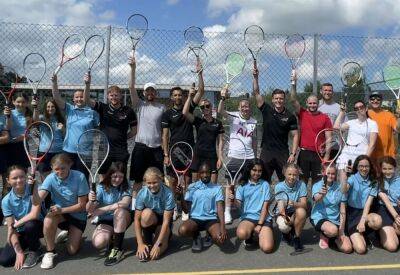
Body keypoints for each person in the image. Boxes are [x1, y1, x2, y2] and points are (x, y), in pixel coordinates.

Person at [31, 153, 89, 269]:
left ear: (70, 165)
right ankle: (50, 252)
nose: (60, 171)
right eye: (56, 169)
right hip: (60, 214)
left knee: (72, 251)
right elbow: (36, 201)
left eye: (63, 168)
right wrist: (34, 188)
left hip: (77, 215)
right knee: (48, 219)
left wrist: (62, 210)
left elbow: (82, 206)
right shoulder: (50, 178)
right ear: (52, 168)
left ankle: (71, 233)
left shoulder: (80, 177)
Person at [83, 74, 137, 176]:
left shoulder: (128, 111)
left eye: (116, 95)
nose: (114, 97)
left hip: (121, 149)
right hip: (104, 148)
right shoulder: (103, 108)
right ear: (108, 96)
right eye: (111, 95)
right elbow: (86, 100)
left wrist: (123, 137)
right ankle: (103, 191)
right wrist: (87, 84)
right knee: (103, 175)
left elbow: (134, 130)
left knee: (120, 175)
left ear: (121, 96)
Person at [218, 87, 257, 224]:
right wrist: (223, 98)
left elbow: (254, 140)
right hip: (235, 157)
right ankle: (227, 211)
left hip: (249, 157)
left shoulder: (254, 121)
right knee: (230, 185)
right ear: (239, 108)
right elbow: (220, 111)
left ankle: (244, 209)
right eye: (242, 106)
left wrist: (255, 157)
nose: (245, 108)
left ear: (249, 108)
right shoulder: (233, 116)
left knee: (246, 184)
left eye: (247, 106)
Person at [252, 65, 298, 182]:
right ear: (272, 100)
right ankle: (264, 200)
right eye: (276, 98)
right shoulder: (266, 109)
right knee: (263, 180)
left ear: (284, 100)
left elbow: (296, 135)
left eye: (281, 98)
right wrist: (256, 77)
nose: (279, 100)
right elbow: (256, 93)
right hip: (266, 152)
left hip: (282, 153)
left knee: (285, 181)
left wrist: (293, 154)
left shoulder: (290, 116)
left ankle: (283, 200)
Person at [51, 74, 99, 177]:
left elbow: (97, 130)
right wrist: (54, 82)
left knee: (82, 178)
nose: (79, 99)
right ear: (73, 99)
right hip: (68, 150)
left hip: (85, 153)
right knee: (66, 178)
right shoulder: (69, 109)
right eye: (76, 97)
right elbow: (56, 97)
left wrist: (87, 84)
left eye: (81, 97)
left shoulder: (92, 112)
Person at [129, 55, 165, 188]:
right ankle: (134, 206)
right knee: (138, 180)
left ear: (156, 93)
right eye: (147, 90)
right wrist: (133, 68)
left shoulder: (162, 107)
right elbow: (131, 87)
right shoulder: (139, 104)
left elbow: (165, 129)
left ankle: (158, 206)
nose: (150, 92)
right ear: (144, 93)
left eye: (152, 90)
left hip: (156, 148)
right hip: (140, 147)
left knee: (158, 180)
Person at [86, 162, 133, 266]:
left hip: (123, 218)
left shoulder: (126, 186)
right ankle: (112, 238)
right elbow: (90, 210)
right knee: (98, 243)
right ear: (109, 175)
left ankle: (117, 249)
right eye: (115, 176)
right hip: (106, 220)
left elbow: (125, 203)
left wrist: (104, 209)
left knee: (119, 211)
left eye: (121, 176)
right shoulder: (101, 187)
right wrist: (90, 201)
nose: (117, 179)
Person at [290, 72, 332, 185]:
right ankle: (303, 201)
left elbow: (329, 138)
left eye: (315, 103)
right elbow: (293, 100)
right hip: (304, 153)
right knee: (302, 181)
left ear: (318, 104)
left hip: (319, 155)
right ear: (306, 103)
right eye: (310, 103)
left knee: (317, 182)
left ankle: (316, 202)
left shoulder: (325, 117)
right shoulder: (302, 113)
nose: (312, 105)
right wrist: (294, 83)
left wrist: (327, 156)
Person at [0, 166, 44, 270]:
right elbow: (11, 228)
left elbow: (34, 214)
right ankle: (28, 245)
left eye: (21, 177)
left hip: (38, 226)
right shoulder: (6, 201)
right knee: (5, 261)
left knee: (30, 225)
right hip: (21, 230)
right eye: (14, 178)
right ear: (8, 180)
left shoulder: (34, 188)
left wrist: (14, 225)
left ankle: (35, 249)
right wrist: (19, 252)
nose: (19, 180)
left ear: (26, 177)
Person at [178, 163, 227, 252]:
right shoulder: (192, 187)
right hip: (195, 220)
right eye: (202, 172)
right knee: (182, 230)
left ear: (211, 173)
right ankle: (196, 235)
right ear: (199, 174)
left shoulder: (217, 188)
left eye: (207, 172)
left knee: (221, 239)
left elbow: (220, 209)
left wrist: (223, 228)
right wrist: (181, 196)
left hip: (211, 220)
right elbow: (186, 211)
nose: (205, 175)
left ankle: (209, 234)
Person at [341, 155, 382, 254]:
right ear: (357, 167)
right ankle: (357, 235)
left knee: (377, 221)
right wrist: (344, 176)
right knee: (361, 249)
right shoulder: (352, 178)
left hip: (365, 212)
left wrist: (362, 221)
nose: (364, 168)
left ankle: (366, 233)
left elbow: (368, 203)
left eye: (366, 166)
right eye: (361, 166)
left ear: (370, 167)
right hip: (352, 214)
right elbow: (343, 189)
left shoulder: (374, 181)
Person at [182, 88, 224, 184]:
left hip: (212, 155)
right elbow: (184, 112)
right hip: (198, 154)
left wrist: (220, 157)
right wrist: (190, 96)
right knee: (196, 184)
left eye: (207, 106)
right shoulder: (198, 121)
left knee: (212, 184)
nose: (205, 108)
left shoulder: (218, 123)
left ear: (211, 107)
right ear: (200, 109)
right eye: (202, 107)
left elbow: (220, 141)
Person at [334, 101, 378, 188]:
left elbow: (372, 145)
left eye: (361, 107)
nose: (359, 109)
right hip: (346, 155)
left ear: (366, 108)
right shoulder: (351, 122)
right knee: (343, 185)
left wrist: (364, 160)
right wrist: (342, 112)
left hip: (360, 156)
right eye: (356, 108)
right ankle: (343, 201)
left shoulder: (373, 124)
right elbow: (336, 127)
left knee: (358, 186)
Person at [134, 167, 175, 261]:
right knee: (146, 214)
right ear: (145, 182)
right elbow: (136, 220)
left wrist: (157, 244)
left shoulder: (168, 194)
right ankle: (147, 241)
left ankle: (163, 237)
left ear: (161, 180)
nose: (152, 185)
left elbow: (166, 222)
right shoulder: (142, 193)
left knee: (154, 255)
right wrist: (140, 244)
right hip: (151, 219)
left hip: (163, 223)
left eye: (155, 182)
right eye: (149, 183)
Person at [234, 159, 274, 253]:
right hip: (248, 218)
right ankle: (251, 234)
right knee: (241, 234)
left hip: (263, 219)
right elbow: (238, 205)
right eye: (254, 170)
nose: (257, 173)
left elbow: (265, 207)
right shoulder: (242, 186)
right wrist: (233, 201)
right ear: (249, 170)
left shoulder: (265, 184)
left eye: (259, 171)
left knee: (267, 248)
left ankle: (261, 234)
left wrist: (260, 224)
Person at [310, 165, 352, 253]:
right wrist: (321, 194)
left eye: (333, 174)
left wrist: (341, 231)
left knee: (348, 249)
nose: (330, 176)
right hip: (320, 218)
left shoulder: (340, 187)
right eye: (328, 173)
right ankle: (324, 234)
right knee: (332, 230)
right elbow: (316, 199)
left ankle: (333, 238)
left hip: (335, 220)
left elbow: (342, 209)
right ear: (323, 173)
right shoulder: (317, 186)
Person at [274, 163, 308, 254]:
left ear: (297, 175)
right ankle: (286, 233)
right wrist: (287, 219)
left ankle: (296, 238)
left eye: (294, 175)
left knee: (302, 212)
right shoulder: (278, 187)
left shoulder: (302, 185)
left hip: (295, 210)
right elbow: (281, 208)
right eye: (289, 174)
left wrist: (294, 203)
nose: (292, 177)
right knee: (284, 226)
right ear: (284, 173)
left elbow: (304, 205)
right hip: (283, 212)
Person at [32, 98, 65, 178]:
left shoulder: (62, 119)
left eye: (53, 106)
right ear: (45, 108)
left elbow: (66, 136)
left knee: (59, 176)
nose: (50, 108)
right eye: (48, 107)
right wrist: (35, 107)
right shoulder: (41, 118)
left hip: (58, 151)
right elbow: (35, 120)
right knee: (44, 176)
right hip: (44, 152)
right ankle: (47, 190)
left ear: (56, 108)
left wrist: (63, 129)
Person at [367, 91, 400, 165]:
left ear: (381, 101)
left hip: (387, 156)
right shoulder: (365, 114)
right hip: (369, 155)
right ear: (369, 101)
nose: (375, 101)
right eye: (372, 99)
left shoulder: (389, 115)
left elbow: (397, 129)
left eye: (378, 99)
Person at [376, 156, 400, 252]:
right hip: (384, 210)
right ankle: (380, 233)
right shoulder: (378, 181)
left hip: (398, 209)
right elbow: (386, 201)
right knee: (392, 246)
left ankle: (395, 230)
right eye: (384, 169)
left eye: (390, 169)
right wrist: (396, 217)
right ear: (381, 169)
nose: (387, 171)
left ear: (395, 168)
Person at [5, 93, 32, 169]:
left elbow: (29, 132)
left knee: (23, 170)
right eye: (18, 102)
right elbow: (8, 127)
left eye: (23, 102)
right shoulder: (9, 113)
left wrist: (27, 136)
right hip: (10, 146)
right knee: (10, 171)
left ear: (27, 103)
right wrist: (8, 117)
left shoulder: (29, 114)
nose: (21, 104)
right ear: (13, 102)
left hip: (23, 146)